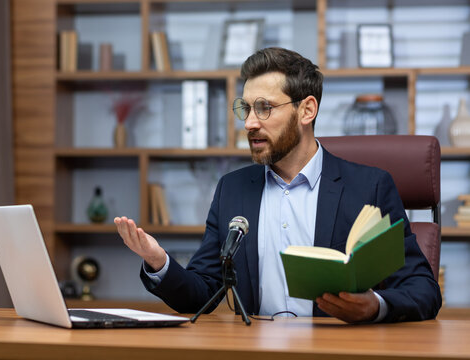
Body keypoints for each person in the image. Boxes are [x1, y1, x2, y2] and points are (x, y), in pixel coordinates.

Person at [114, 47, 442, 323]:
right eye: (245, 108)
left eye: (265, 108)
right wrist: (159, 262)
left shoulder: (370, 188)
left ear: (307, 110)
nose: (250, 123)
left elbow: (423, 291)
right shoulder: (233, 189)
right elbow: (202, 293)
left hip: (339, 351)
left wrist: (375, 306)